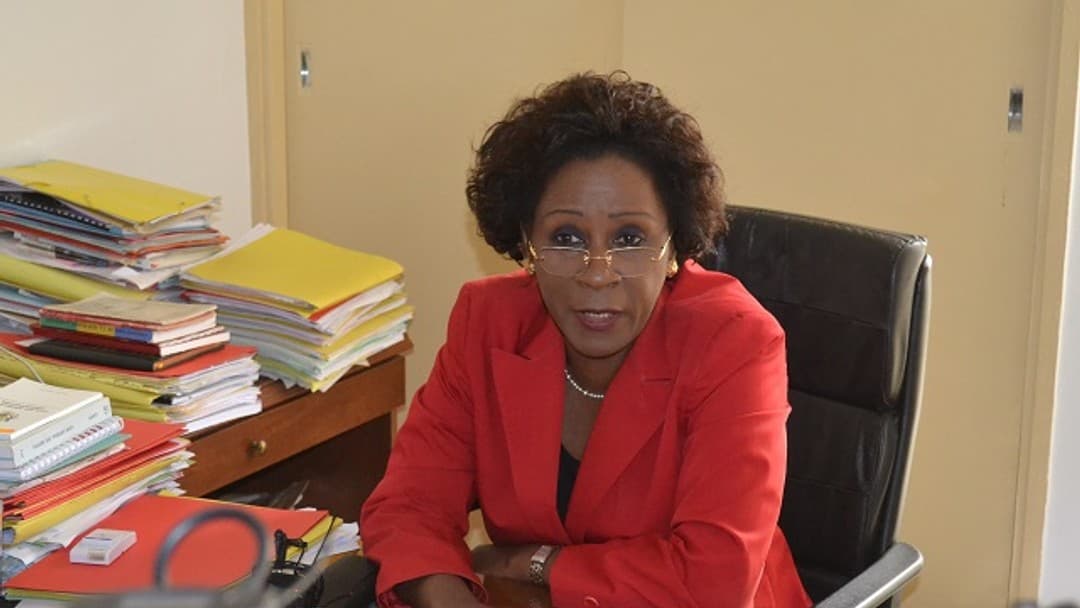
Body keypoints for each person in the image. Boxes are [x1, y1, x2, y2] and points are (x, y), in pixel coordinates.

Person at [360, 71, 812, 608]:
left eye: (629, 238)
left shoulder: (734, 342)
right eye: (567, 237)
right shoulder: (488, 323)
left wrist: (534, 564)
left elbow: (716, 579)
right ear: (527, 242)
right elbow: (408, 505)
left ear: (674, 249)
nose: (597, 273)